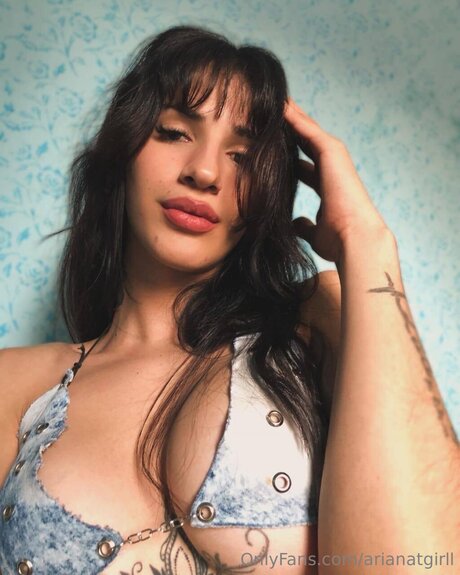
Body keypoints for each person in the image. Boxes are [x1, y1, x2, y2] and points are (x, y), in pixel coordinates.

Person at [0, 24, 458, 575]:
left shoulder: (317, 322)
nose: (205, 171)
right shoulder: (17, 384)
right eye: (175, 132)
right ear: (123, 151)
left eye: (243, 156)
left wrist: (368, 242)